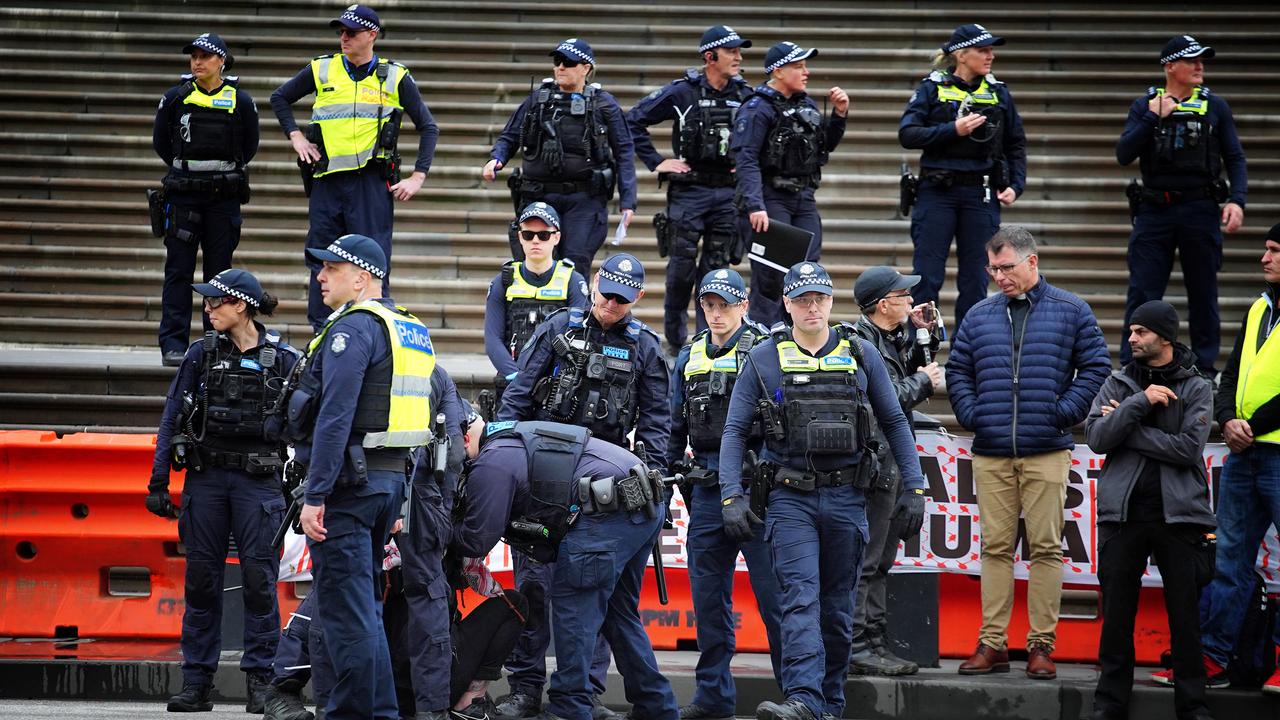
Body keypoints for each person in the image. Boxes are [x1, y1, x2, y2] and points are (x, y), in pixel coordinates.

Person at [717, 262, 927, 720]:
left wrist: (915, 486)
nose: (812, 307)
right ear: (787, 304)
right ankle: (804, 698)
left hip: (848, 497)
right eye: (801, 299)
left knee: (836, 610)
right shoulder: (764, 357)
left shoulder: (860, 352)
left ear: (832, 302)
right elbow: (734, 431)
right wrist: (731, 496)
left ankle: (828, 702)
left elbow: (893, 421)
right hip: (789, 498)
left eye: (820, 298)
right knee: (800, 598)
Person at [494, 252, 668, 720]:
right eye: (606, 294)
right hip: (543, 477)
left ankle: (585, 694)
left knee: (598, 594)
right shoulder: (557, 328)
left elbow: (656, 428)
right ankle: (526, 687)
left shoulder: (645, 347)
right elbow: (517, 395)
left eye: (623, 300)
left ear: (639, 299)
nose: (612, 305)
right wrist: (502, 457)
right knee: (533, 586)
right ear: (593, 284)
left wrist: (649, 485)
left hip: (602, 486)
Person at [282, 233, 436, 720]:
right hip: (386, 482)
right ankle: (384, 713)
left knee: (349, 617)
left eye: (331, 268)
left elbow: (335, 416)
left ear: (361, 277)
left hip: (350, 487)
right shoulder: (406, 326)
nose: (320, 277)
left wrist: (316, 493)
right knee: (364, 610)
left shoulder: (355, 328)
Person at [945, 226, 1110, 680]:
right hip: (993, 448)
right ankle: (992, 643)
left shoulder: (1071, 310)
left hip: (1047, 449)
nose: (1000, 276)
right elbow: (958, 368)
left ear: (1032, 262)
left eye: (1008, 268)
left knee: (1045, 549)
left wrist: (1065, 412)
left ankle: (1041, 646)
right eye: (993, 269)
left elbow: (1097, 366)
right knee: (994, 548)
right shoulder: (979, 315)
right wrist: (973, 414)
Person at [451, 419, 679, 720]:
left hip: (610, 507)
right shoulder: (512, 438)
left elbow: (477, 539)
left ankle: (569, 710)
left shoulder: (492, 461)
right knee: (618, 612)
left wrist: (437, 530)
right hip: (640, 499)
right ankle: (656, 707)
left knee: (573, 609)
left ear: (465, 439)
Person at [146, 268, 298, 712]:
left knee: (258, 582)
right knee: (202, 582)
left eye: (217, 302)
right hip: (206, 480)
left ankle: (262, 683)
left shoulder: (284, 359)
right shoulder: (199, 355)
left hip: (260, 484)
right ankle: (196, 683)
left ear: (242, 306)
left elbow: (305, 428)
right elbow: (171, 416)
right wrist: (158, 480)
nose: (208, 309)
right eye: (207, 302)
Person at [1155, 226, 1280, 695]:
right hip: (1246, 452)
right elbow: (1230, 374)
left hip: (1270, 448)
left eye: (1273, 251)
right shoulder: (1258, 308)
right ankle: (1213, 658)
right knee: (1229, 561)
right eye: (1266, 249)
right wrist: (1227, 418)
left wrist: (1252, 425)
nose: (1264, 258)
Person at [270, 4, 439, 331]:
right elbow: (280, 97)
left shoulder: (394, 75)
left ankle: (375, 332)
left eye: (352, 32)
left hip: (370, 184)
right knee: (322, 259)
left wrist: (418, 177)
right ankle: (322, 334)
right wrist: (295, 137)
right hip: (327, 182)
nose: (343, 38)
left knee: (374, 261)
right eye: (341, 32)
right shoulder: (323, 69)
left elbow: (428, 127)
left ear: (372, 35)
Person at [1085, 300, 1216, 720]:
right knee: (1118, 616)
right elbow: (1098, 437)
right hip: (1122, 516)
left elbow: (1186, 449)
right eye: (1131, 331)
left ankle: (1193, 705)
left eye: (1141, 332)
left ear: (1165, 336)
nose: (1131, 338)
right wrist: (1139, 402)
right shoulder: (1119, 383)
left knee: (1185, 618)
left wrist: (1128, 426)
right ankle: (1109, 703)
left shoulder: (1196, 386)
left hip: (1179, 516)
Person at [665, 268, 783, 720]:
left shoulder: (765, 350)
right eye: (709, 306)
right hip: (707, 494)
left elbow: (782, 419)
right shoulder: (689, 354)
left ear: (744, 305)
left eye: (725, 305)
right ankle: (713, 698)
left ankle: (797, 695)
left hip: (759, 493)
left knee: (776, 602)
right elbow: (676, 429)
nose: (716, 314)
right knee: (709, 605)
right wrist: (670, 479)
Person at [1116, 35, 1247, 375]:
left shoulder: (1215, 106)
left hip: (1200, 210)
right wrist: (1152, 118)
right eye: (1193, 60)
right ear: (1170, 66)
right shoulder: (1145, 105)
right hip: (1154, 212)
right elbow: (1123, 154)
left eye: (1203, 60)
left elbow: (1234, 157)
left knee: (1203, 294)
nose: (1200, 66)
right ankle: (1133, 367)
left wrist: (1237, 200)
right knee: (1143, 293)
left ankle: (1203, 370)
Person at [625, 25, 753, 352]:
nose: (739, 57)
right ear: (710, 56)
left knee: (716, 270)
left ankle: (705, 341)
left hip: (728, 193)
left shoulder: (745, 95)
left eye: (740, 51)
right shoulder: (683, 92)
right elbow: (633, 120)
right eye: (732, 51)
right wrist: (656, 161)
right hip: (688, 192)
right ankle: (676, 341)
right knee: (681, 269)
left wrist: (750, 163)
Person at [846, 266, 943, 676]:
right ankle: (857, 645)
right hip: (872, 465)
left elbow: (912, 366)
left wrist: (925, 335)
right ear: (884, 304)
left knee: (882, 559)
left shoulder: (886, 338)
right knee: (867, 561)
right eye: (904, 296)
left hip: (890, 463)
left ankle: (875, 641)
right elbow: (881, 402)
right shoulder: (859, 342)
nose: (911, 302)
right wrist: (922, 380)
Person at [899, 23, 1026, 331]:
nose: (990, 56)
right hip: (937, 191)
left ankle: (967, 354)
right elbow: (908, 133)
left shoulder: (998, 92)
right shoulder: (932, 87)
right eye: (983, 50)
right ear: (962, 54)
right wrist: (953, 130)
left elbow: (1015, 143)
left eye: (991, 50)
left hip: (980, 195)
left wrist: (1015, 185)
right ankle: (922, 350)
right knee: (927, 276)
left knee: (976, 279)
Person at [482, 38, 637, 273]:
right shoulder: (538, 99)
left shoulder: (604, 104)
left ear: (586, 68)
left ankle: (573, 311)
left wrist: (628, 201)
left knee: (574, 266)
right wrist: (497, 158)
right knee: (536, 265)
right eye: (557, 61)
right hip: (539, 194)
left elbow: (624, 151)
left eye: (568, 62)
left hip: (584, 199)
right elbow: (510, 136)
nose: (560, 67)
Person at [152, 33, 259, 366]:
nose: (197, 62)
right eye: (194, 56)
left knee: (219, 276)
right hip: (184, 197)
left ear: (221, 61)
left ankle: (215, 341)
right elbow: (161, 143)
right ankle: (173, 343)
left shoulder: (240, 100)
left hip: (222, 200)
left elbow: (250, 145)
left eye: (205, 56)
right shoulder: (175, 98)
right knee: (179, 272)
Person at [730, 42, 847, 328]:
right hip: (771, 198)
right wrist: (755, 205)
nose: (805, 72)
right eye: (798, 67)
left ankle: (796, 338)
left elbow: (821, 149)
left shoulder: (805, 104)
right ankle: (763, 341)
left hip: (803, 197)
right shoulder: (758, 108)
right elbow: (746, 159)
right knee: (771, 277)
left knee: (807, 271)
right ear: (778, 71)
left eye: (805, 66)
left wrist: (839, 116)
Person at [483, 202, 590, 403]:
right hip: (511, 382)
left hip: (558, 385)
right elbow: (492, 339)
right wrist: (517, 378)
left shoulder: (573, 281)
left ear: (556, 237)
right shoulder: (502, 282)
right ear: (519, 237)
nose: (535, 241)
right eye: (528, 235)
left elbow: (580, 337)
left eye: (544, 235)